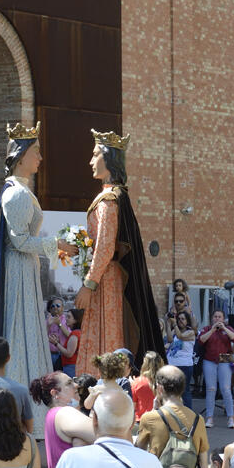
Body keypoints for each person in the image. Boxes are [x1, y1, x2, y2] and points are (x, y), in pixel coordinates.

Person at [0, 123, 77, 404]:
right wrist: (56, 245)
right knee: (20, 329)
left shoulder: (23, 192)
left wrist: (54, 247)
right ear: (22, 155)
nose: (40, 158)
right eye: (36, 152)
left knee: (29, 331)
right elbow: (20, 242)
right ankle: (21, 402)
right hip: (17, 272)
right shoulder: (15, 194)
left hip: (25, 269)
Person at [74, 130, 162, 377]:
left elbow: (105, 247)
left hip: (108, 280)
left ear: (108, 158)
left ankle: (102, 381)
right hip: (108, 277)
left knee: (107, 332)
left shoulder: (109, 200)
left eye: (95, 155)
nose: (91, 161)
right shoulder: (116, 197)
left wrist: (89, 285)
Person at [27, 373, 95, 468]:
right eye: (69, 383)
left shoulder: (53, 414)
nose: (76, 385)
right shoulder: (64, 413)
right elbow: (104, 435)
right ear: (55, 394)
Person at [198, 311, 234, 428]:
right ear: (212, 318)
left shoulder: (228, 328)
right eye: (215, 317)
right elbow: (201, 340)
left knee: (226, 388)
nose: (217, 319)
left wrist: (224, 327)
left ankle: (231, 418)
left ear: (223, 318)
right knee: (211, 389)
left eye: (220, 317)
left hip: (224, 359)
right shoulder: (207, 329)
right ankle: (210, 418)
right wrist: (212, 330)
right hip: (209, 360)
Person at [164, 311, 197, 410]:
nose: (180, 321)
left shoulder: (191, 332)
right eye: (179, 319)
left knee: (184, 391)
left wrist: (174, 323)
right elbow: (170, 340)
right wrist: (168, 323)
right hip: (172, 364)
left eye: (183, 319)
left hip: (184, 365)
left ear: (188, 321)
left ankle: (188, 413)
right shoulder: (175, 330)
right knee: (171, 391)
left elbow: (181, 336)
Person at [131, 351, 161, 422]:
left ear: (144, 364)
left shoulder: (137, 382)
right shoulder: (164, 381)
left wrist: (132, 385)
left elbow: (132, 406)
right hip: (160, 420)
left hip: (141, 420)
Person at [45, 297, 69, 371]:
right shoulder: (46, 321)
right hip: (48, 354)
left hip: (61, 354)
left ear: (62, 308)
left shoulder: (67, 320)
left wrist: (59, 324)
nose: (55, 307)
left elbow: (69, 335)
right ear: (50, 309)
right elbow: (41, 337)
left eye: (58, 305)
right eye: (53, 306)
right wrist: (48, 325)